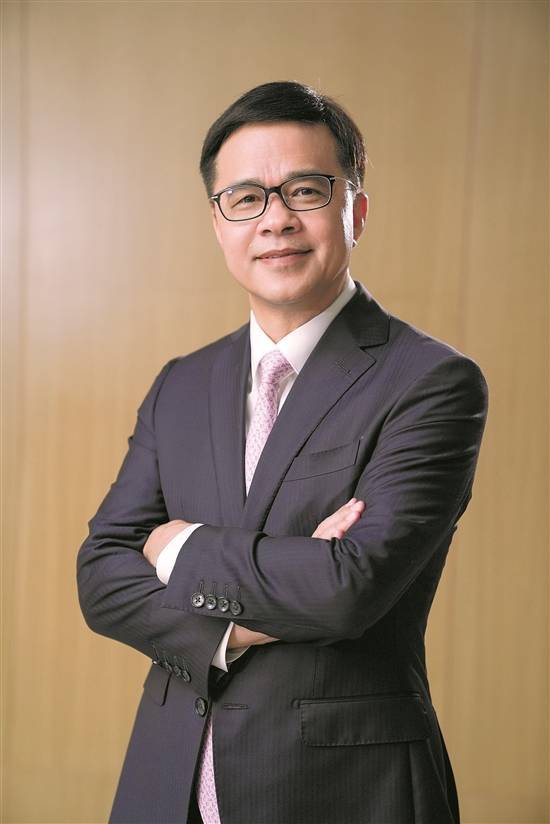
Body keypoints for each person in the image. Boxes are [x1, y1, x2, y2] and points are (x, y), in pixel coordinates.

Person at [77, 81, 488, 824]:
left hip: (344, 790)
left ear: (356, 210)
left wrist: (177, 547)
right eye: (246, 198)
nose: (275, 219)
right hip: (166, 784)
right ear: (218, 223)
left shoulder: (431, 382)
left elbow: (349, 589)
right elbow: (101, 575)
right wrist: (242, 622)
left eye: (305, 190)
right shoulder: (181, 384)